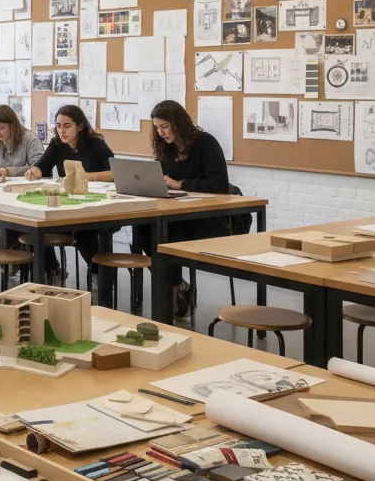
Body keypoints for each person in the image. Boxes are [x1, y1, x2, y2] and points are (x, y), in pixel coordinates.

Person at [136, 99, 231, 318]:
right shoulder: (167, 148)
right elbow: (163, 179)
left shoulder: (206, 143)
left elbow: (220, 184)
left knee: (167, 234)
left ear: (178, 123)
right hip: (176, 213)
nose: (161, 133)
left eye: (165, 127)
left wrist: (181, 184)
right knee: (142, 232)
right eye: (157, 128)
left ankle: (175, 287)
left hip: (206, 218)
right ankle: (177, 284)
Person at [25, 104, 114, 277]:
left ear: (79, 126)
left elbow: (115, 172)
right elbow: (43, 165)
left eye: (67, 126)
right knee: (36, 226)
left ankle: (100, 275)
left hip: (97, 205)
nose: (62, 131)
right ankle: (52, 270)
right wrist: (34, 172)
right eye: (58, 126)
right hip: (71, 201)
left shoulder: (96, 144)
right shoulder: (57, 144)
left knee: (84, 235)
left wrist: (89, 176)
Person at [0, 104, 44, 178]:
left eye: (1, 128)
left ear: (12, 126)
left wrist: (8, 171)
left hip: (24, 186)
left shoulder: (31, 140)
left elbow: (38, 169)